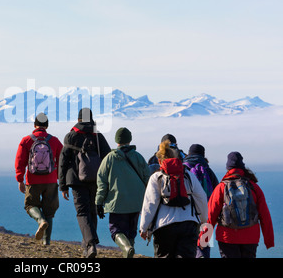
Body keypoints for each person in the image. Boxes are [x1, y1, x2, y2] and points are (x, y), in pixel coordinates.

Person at [139, 140, 208, 258]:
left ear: (160, 160)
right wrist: (203, 219)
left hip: (164, 226)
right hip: (189, 224)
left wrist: (144, 228)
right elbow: (201, 198)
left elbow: (150, 204)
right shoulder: (188, 175)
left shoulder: (156, 177)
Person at [58, 108, 111, 258]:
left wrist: (62, 185)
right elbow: (108, 158)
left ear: (79, 119)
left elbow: (63, 162)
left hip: (75, 180)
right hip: (96, 179)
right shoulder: (98, 137)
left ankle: (90, 244)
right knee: (92, 211)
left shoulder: (71, 136)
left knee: (82, 212)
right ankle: (88, 245)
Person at [207, 151, 274, 258]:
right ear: (242, 166)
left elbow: (211, 215)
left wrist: (203, 239)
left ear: (228, 168)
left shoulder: (221, 187)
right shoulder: (254, 187)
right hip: (250, 237)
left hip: (227, 237)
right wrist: (269, 240)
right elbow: (265, 216)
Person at [95, 127, 150, 258]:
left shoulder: (109, 159)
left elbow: (102, 183)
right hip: (137, 203)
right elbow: (148, 180)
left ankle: (126, 248)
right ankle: (129, 252)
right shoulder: (138, 157)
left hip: (117, 203)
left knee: (116, 230)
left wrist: (99, 202)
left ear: (116, 140)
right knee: (131, 232)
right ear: (129, 140)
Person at [15, 113, 63, 245]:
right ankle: (46, 242)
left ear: (34, 125)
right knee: (49, 211)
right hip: (51, 180)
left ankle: (41, 221)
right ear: (47, 126)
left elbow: (20, 161)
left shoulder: (26, 140)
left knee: (30, 205)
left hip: (33, 180)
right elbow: (62, 161)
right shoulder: (55, 141)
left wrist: (20, 179)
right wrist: (58, 177)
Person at [183, 144, 219, 258]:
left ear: (188, 154)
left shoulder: (183, 169)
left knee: (187, 246)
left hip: (186, 214)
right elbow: (217, 194)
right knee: (204, 246)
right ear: (203, 155)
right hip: (207, 215)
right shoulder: (208, 170)